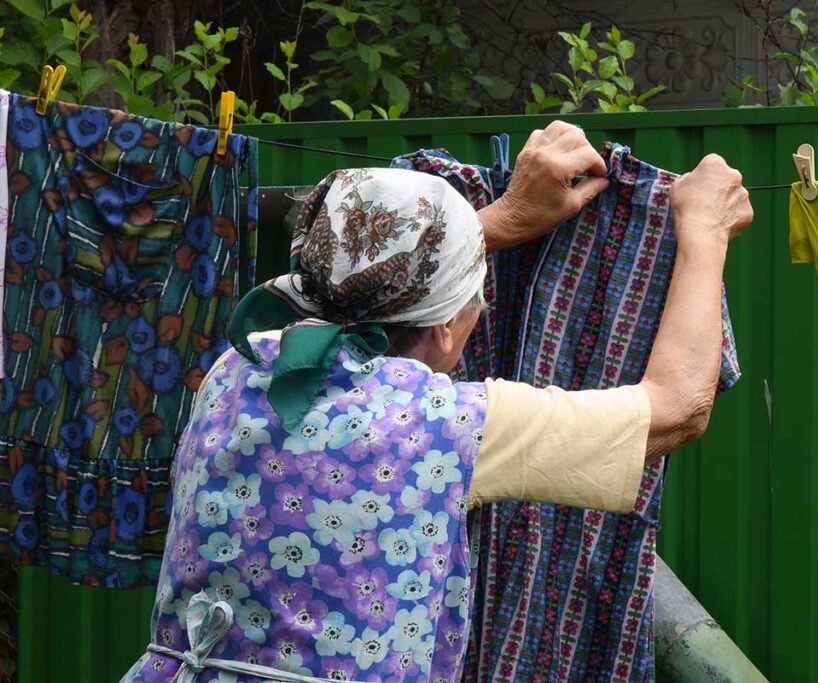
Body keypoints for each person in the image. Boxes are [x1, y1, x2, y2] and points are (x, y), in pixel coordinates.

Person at [120, 121, 754, 683]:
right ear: (449, 328)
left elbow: (351, 281)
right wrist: (704, 234)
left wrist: (503, 217)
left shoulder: (244, 361)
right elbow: (675, 409)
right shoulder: (444, 424)